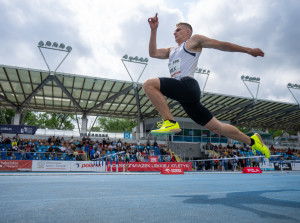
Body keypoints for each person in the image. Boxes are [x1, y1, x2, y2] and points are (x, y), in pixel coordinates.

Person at [144, 13, 270, 158]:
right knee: (217, 128)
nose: (174, 32)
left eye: (178, 30)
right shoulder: (171, 51)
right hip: (185, 97)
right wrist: (153, 30)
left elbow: (221, 45)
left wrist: (248, 50)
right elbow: (152, 53)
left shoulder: (193, 41)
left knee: (148, 84)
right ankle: (253, 141)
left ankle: (170, 122)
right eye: (174, 31)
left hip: (188, 85)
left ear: (187, 32)